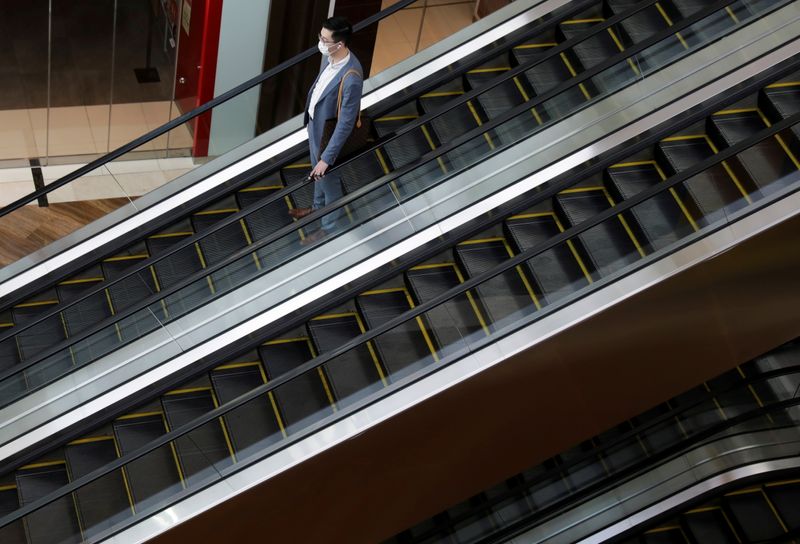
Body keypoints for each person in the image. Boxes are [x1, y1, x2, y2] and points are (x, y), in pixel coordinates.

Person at [289, 16, 363, 244]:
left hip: (327, 138)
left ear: (339, 44)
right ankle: (316, 208)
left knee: (329, 184)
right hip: (316, 128)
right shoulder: (330, 57)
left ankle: (328, 228)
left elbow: (346, 123)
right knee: (316, 174)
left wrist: (327, 158)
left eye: (324, 39)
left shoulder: (352, 77)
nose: (320, 42)